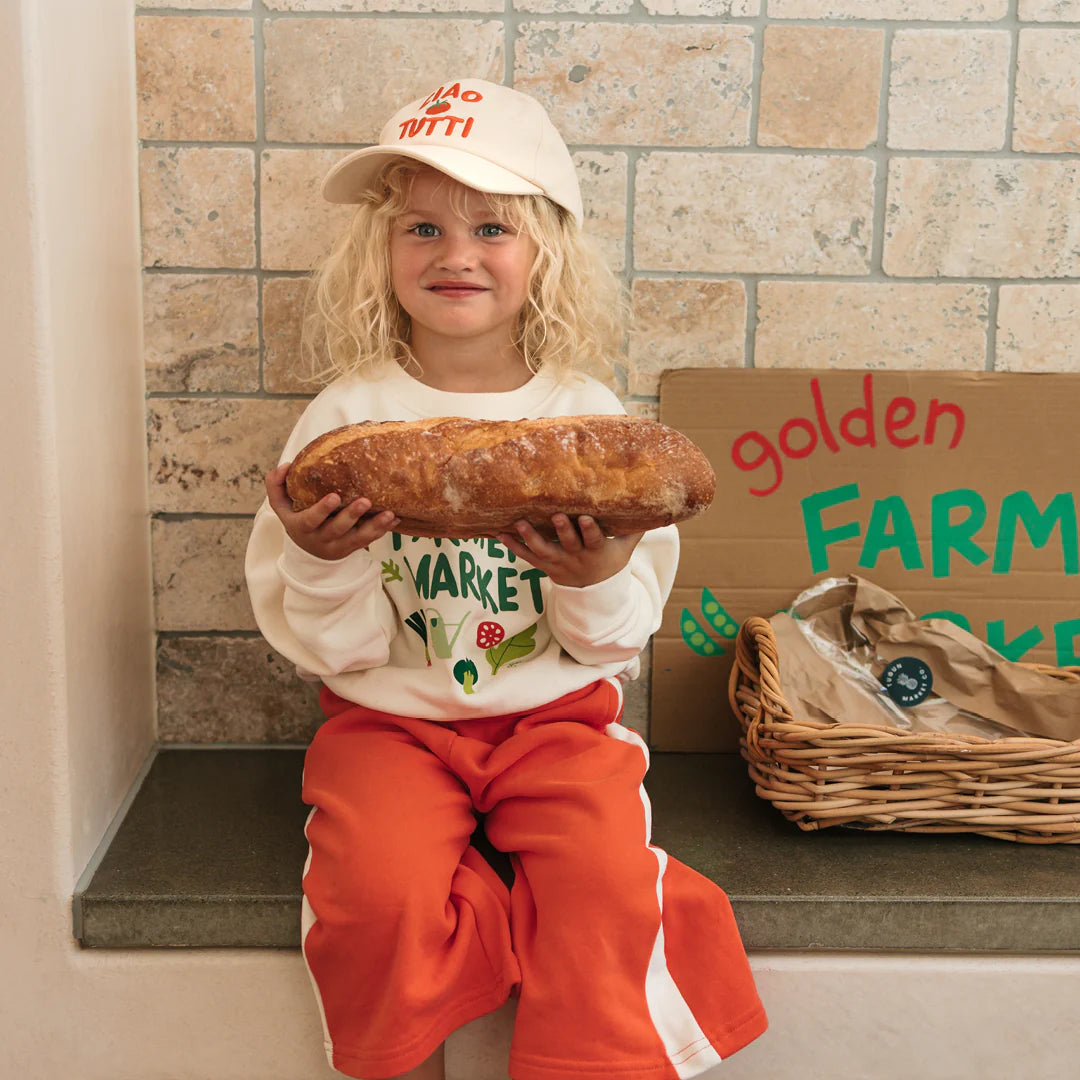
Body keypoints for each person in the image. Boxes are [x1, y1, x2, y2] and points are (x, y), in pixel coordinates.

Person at [245, 77, 766, 1080]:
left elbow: (611, 642)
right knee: (378, 894)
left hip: (556, 721)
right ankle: (419, 1028)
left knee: (605, 888)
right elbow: (340, 650)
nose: (456, 254)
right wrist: (322, 559)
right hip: (389, 725)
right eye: (423, 228)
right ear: (381, 252)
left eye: (491, 227)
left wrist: (596, 574)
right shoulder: (345, 422)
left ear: (547, 254)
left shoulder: (590, 422)